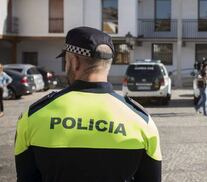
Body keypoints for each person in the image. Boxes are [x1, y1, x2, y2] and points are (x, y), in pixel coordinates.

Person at [14, 27, 162, 182]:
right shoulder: (142, 121)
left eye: (66, 60)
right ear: (108, 64)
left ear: (74, 62)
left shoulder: (32, 117)